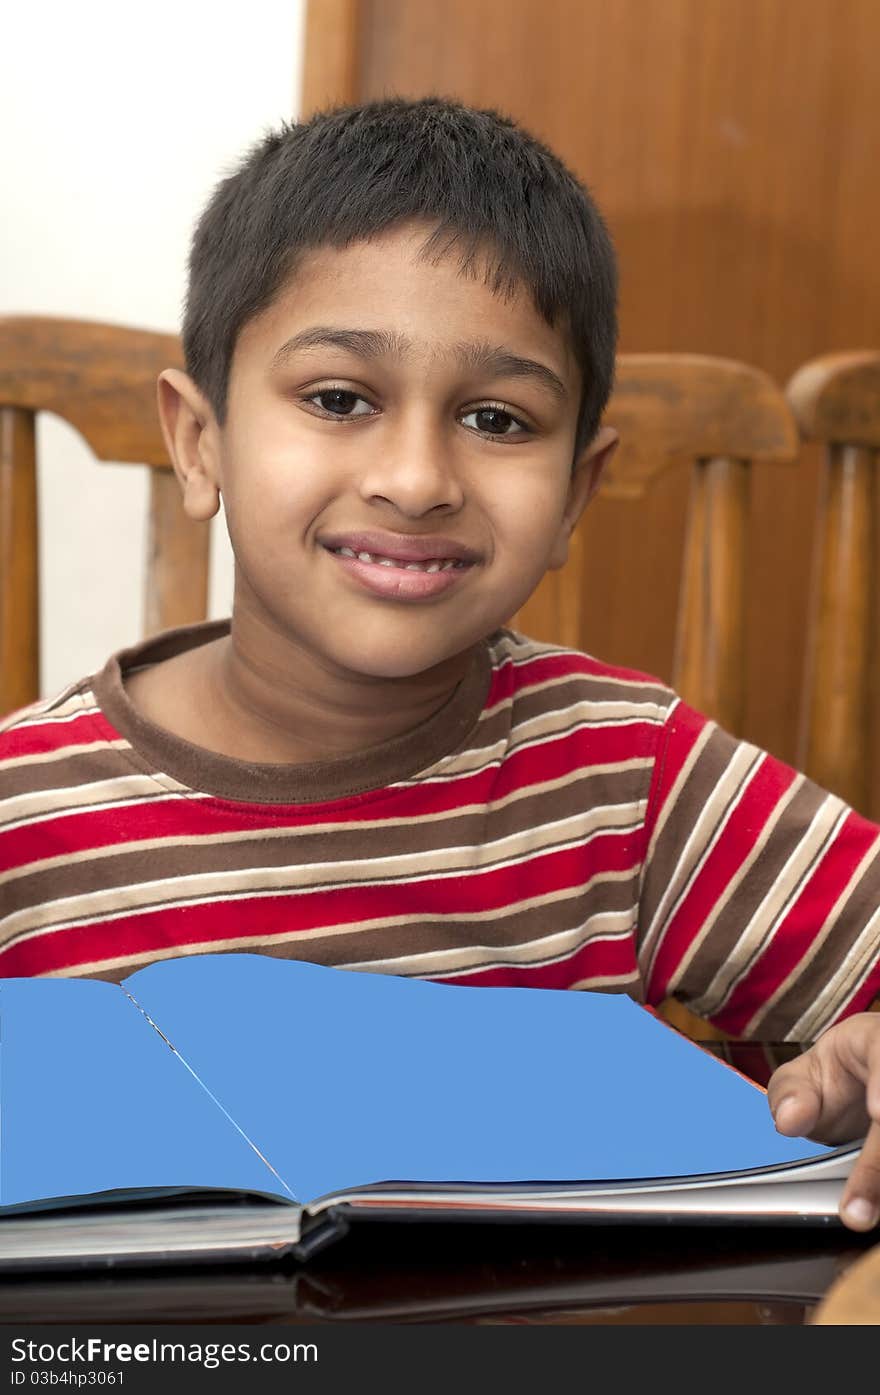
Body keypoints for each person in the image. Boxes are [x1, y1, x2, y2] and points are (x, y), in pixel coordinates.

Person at [1, 97, 879, 1231]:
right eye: (337, 399)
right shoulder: (25, 809)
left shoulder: (628, 775)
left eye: (498, 421)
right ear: (199, 438)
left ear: (577, 492)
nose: (416, 479)